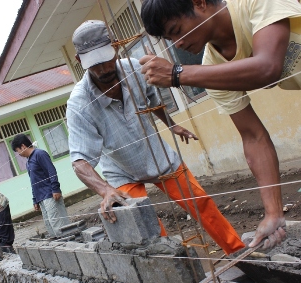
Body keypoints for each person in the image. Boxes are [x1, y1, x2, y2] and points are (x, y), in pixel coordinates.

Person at [67, 20, 245, 255]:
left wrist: (172, 126)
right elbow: (79, 161)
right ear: (80, 62)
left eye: (106, 58)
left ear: (117, 47)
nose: (103, 69)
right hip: (121, 171)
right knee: (146, 223)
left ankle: (238, 251)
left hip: (158, 154)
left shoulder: (134, 69)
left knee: (200, 202)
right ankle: (179, 270)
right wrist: (105, 190)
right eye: (94, 64)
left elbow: (152, 101)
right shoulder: (79, 104)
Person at [139, 0, 301, 249]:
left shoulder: (254, 3)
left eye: (177, 30)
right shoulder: (212, 68)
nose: (177, 43)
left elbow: (267, 66)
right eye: (169, 39)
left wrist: (177, 74)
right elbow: (253, 136)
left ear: (200, 2)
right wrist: (273, 213)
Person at [11, 134, 70, 238]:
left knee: (57, 223)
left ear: (23, 146)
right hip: (41, 198)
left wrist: (55, 188)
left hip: (50, 195)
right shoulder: (28, 162)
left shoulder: (40, 154)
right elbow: (33, 182)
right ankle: (61, 245)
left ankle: (70, 242)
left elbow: (51, 171)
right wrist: (35, 199)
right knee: (50, 225)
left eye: (18, 150)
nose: (18, 154)